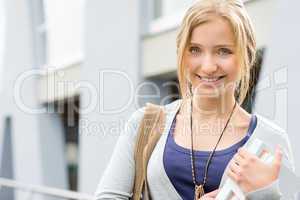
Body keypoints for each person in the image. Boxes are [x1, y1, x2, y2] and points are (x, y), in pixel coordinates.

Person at [95, 0, 295, 199]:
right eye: (195, 50)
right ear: (181, 53)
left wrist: (265, 192)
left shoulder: (272, 140)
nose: (208, 66)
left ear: (247, 55)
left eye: (223, 51)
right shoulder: (145, 124)